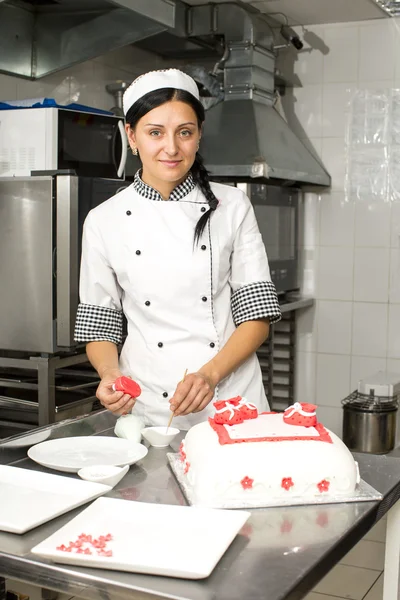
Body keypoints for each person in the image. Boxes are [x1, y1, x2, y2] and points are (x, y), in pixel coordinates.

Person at [74, 68, 282, 430]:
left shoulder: (232, 206)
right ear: (132, 136)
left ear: (198, 136)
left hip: (228, 398)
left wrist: (210, 375)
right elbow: (100, 322)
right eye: (155, 132)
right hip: (149, 401)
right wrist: (109, 374)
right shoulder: (103, 220)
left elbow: (257, 317)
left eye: (184, 132)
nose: (171, 148)